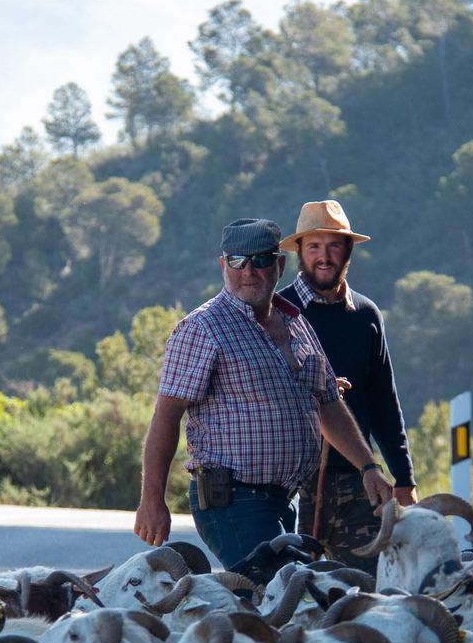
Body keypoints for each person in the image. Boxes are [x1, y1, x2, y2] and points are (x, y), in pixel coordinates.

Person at [134, 217, 395, 568]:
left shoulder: (295, 322)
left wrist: (368, 467)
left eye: (260, 260)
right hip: (233, 502)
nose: (249, 271)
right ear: (224, 265)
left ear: (280, 264)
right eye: (238, 261)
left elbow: (328, 404)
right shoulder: (203, 328)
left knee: (281, 607)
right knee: (284, 593)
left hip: (284, 501)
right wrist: (152, 499)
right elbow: (166, 416)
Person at [275, 200, 415, 568]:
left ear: (348, 251)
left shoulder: (367, 316)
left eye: (334, 245)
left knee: (368, 590)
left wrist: (403, 477)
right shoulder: (276, 312)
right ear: (299, 253)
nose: (324, 256)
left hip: (361, 482)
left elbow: (384, 403)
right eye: (314, 247)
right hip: (292, 484)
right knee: (296, 594)